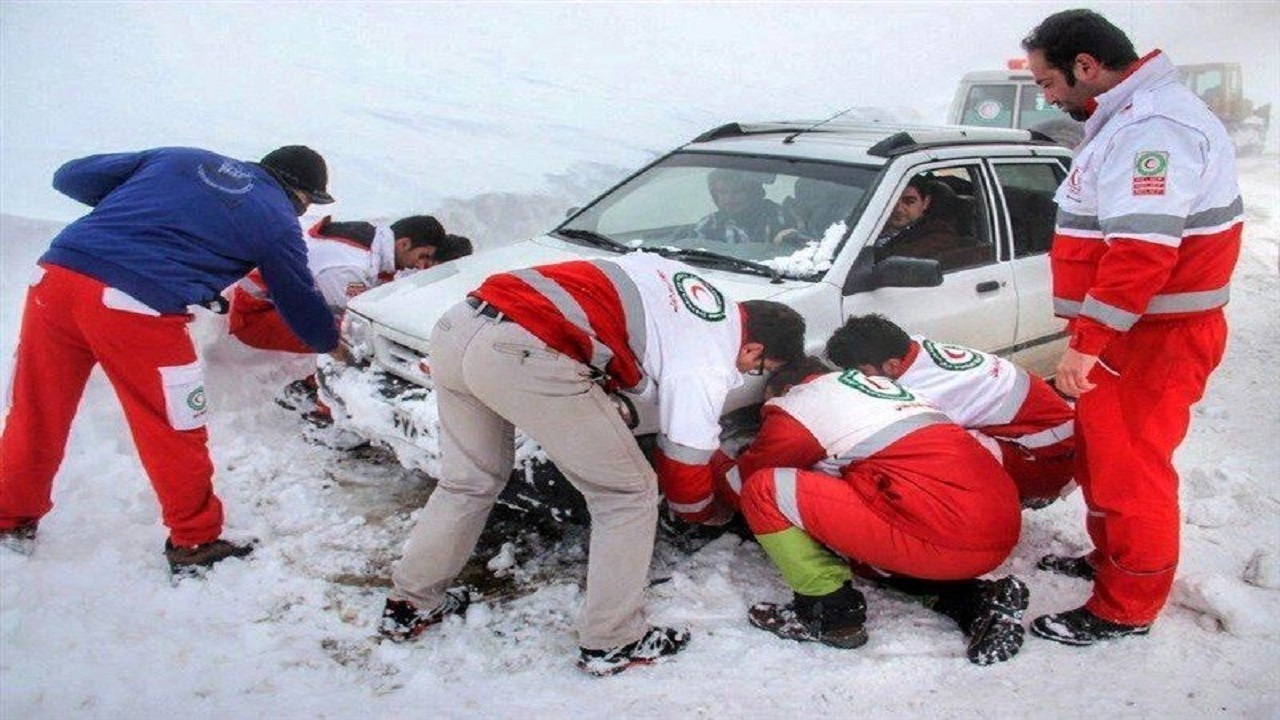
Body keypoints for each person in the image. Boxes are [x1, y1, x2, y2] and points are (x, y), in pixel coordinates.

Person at [377, 251, 805, 677]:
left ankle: (410, 604)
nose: (748, 373)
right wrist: (707, 513)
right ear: (753, 346)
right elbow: (683, 462)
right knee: (628, 494)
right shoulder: (709, 357)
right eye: (757, 367)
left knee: (468, 481)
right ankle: (613, 639)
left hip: (460, 326)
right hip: (525, 349)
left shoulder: (687, 288)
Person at [0, 145, 340, 576]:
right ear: (299, 193)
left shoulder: (181, 159)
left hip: (55, 280)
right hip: (135, 307)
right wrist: (331, 342)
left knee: (36, 409)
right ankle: (194, 540)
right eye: (309, 203)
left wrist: (150, 209)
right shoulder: (275, 219)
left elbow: (70, 176)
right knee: (173, 425)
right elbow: (297, 300)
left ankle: (10, 519)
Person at [1021, 9, 1244, 645]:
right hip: (1133, 331)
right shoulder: (1127, 116)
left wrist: (1088, 343)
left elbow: (1141, 251)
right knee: (1102, 456)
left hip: (1153, 337)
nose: (1047, 95)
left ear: (1086, 66)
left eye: (1048, 82)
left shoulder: (1156, 128)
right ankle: (1110, 560)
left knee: (1131, 470)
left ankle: (1128, 603)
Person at [712, 357, 1028, 665]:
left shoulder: (801, 403)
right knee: (854, 540)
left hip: (945, 535)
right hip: (996, 525)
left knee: (766, 489)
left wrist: (710, 456)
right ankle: (976, 602)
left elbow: (743, 484)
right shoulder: (886, 391)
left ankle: (829, 614)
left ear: (785, 390)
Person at [228, 216, 469, 426]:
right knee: (354, 342)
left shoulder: (374, 242)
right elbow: (351, 325)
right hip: (257, 315)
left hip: (279, 304)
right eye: (422, 256)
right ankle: (323, 407)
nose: (420, 264)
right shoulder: (348, 266)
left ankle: (314, 389)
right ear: (404, 243)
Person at [826, 314, 1075, 507]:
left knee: (926, 452)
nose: (858, 379)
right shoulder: (916, 349)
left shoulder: (929, 392)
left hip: (1053, 462)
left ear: (891, 365)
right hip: (1056, 440)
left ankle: (1004, 500)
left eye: (862, 372)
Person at [874, 176, 975, 267]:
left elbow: (893, 262)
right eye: (892, 201)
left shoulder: (937, 234)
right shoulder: (869, 222)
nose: (898, 209)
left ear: (926, 202)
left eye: (909, 202)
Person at [695, 169, 799, 245]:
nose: (729, 198)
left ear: (754, 192)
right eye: (723, 192)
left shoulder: (781, 217)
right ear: (715, 195)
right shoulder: (708, 225)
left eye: (737, 191)